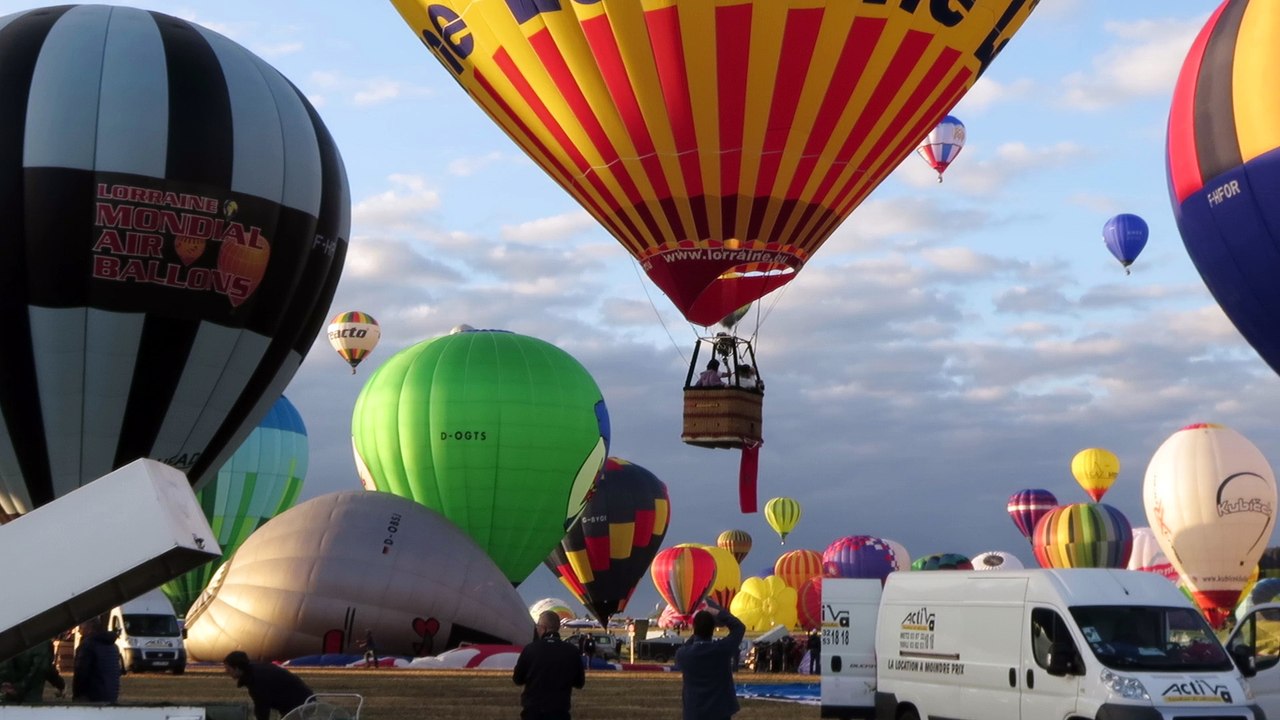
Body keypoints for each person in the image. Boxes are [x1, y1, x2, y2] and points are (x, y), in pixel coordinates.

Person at [674, 596, 746, 720]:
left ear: (694, 628)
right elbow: (739, 627)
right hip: (720, 712)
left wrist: (695, 633)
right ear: (713, 629)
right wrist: (717, 611)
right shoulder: (722, 650)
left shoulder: (684, 655)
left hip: (694, 712)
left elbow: (684, 648)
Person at [513, 610, 585, 720]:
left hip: (533, 712)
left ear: (543, 628)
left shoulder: (530, 649)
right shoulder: (572, 651)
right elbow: (579, 683)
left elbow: (517, 679)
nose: (536, 629)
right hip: (559, 712)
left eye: (537, 626)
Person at [223, 650, 314, 720]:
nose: (226, 672)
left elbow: (262, 707)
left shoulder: (257, 679)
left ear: (237, 668)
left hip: (301, 706)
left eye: (228, 669)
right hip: (302, 703)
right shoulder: (256, 671)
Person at [72, 620, 120, 703]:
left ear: (90, 628)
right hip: (111, 695)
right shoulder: (113, 646)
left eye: (81, 627)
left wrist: (77, 695)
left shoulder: (88, 645)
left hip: (92, 696)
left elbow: (81, 673)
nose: (79, 631)